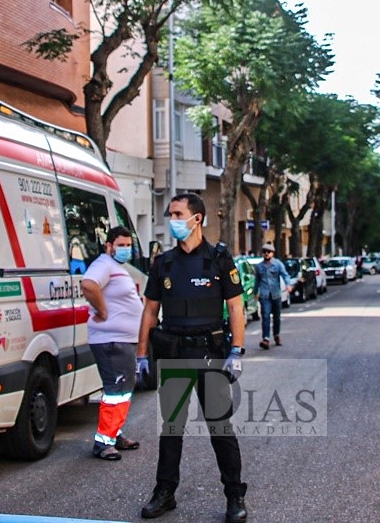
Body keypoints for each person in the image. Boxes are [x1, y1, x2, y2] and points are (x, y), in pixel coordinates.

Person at [135, 193, 248, 523]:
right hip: (174, 354)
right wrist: (141, 355)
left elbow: (236, 307)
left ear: (196, 218)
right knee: (171, 430)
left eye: (176, 214)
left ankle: (234, 496)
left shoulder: (218, 259)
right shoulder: (164, 263)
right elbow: (150, 311)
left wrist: (237, 350)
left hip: (210, 354)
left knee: (220, 429)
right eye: (170, 213)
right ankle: (165, 492)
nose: (171, 219)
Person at [80, 226, 144, 461]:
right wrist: (103, 310)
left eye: (129, 245)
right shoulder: (103, 264)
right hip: (111, 340)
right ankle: (103, 443)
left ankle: (114, 433)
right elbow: (88, 284)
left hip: (121, 340)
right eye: (121, 245)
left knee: (123, 390)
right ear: (109, 246)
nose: (126, 249)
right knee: (116, 391)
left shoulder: (117, 267)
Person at [253, 242, 293, 350]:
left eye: (268, 252)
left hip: (276, 294)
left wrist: (288, 285)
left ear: (272, 253)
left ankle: (276, 335)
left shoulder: (278, 264)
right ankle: (265, 339)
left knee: (276, 317)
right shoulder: (259, 266)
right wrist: (255, 292)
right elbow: (257, 280)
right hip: (264, 295)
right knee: (265, 316)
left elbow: (285, 275)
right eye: (264, 252)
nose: (266, 254)